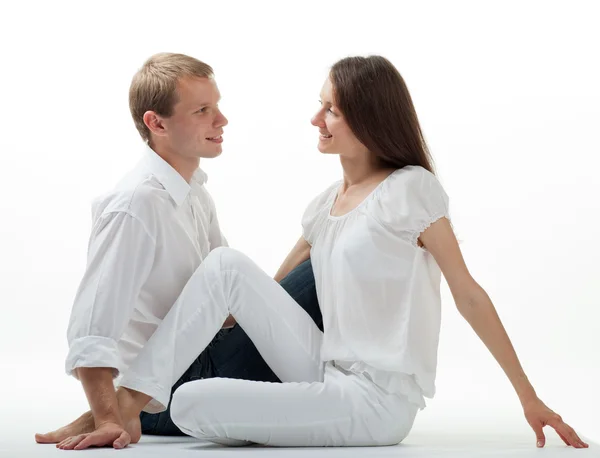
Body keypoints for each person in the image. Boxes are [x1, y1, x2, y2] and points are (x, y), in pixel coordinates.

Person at [54, 55, 589, 451]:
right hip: (321, 365)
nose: (316, 120)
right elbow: (253, 292)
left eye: (330, 109)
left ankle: (132, 408)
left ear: (367, 117)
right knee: (224, 264)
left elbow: (468, 295)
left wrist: (529, 396)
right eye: (320, 106)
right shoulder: (322, 205)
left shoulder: (411, 190)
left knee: (191, 401)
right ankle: (124, 404)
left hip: (374, 399)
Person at [34, 52, 322, 449]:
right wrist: (108, 417)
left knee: (322, 251)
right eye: (203, 110)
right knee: (326, 261)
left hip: (201, 359)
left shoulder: (194, 194)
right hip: (173, 390)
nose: (221, 120)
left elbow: (228, 307)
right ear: (157, 123)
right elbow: (91, 327)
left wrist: (300, 254)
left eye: (217, 106)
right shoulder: (135, 205)